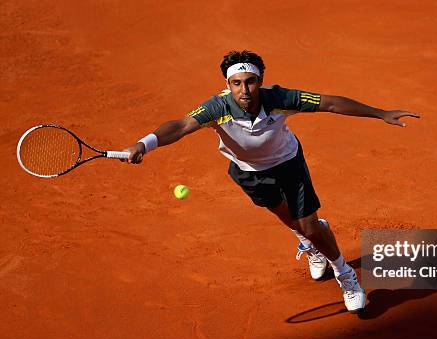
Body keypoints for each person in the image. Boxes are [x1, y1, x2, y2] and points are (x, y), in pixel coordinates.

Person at [122, 50, 419, 313]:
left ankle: (345, 275)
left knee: (309, 224)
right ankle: (310, 244)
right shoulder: (216, 108)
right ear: (228, 85)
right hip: (248, 172)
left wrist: (381, 113)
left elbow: (330, 103)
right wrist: (144, 144)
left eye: (250, 81)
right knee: (285, 217)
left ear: (260, 80)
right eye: (236, 83)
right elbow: (181, 126)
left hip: (289, 165)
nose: (244, 90)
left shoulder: (280, 99)